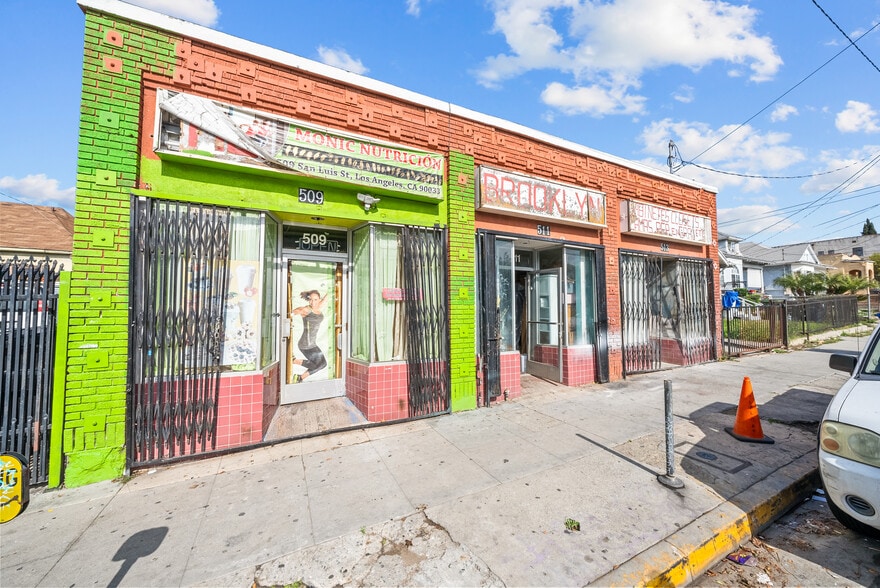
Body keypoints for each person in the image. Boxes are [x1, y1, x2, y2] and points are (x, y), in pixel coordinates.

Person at [292, 289, 328, 381]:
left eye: (315, 299)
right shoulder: (306, 310)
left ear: (319, 300)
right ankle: (294, 362)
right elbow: (292, 312)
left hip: (312, 343)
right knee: (320, 364)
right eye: (311, 299)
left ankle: (299, 377)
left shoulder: (317, 307)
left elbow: (325, 299)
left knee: (322, 364)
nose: (313, 302)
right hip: (306, 344)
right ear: (308, 300)